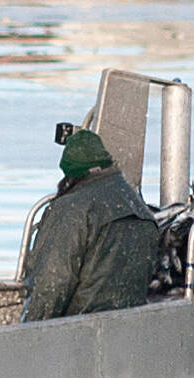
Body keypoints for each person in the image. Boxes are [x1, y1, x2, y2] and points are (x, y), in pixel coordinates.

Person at [20, 127, 159, 322]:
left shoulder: (72, 209)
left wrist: (29, 330)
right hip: (127, 329)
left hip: (79, 332)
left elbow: (53, 282)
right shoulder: (139, 206)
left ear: (69, 171)